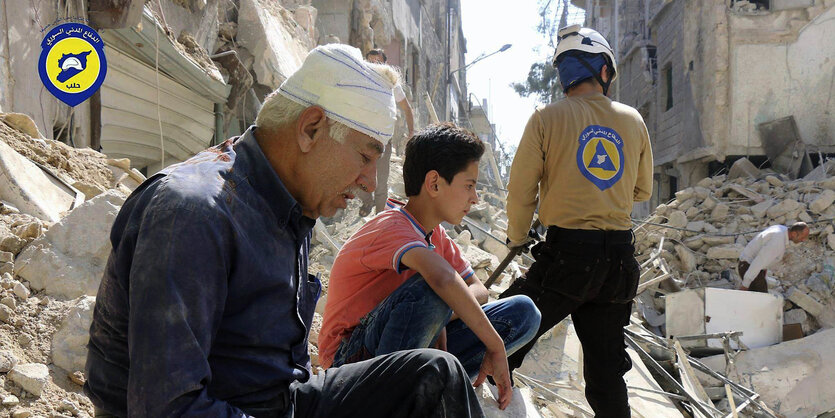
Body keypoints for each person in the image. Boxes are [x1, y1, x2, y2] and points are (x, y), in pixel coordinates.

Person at [84, 44, 484, 418]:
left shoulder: (291, 204)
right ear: (311, 128)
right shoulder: (195, 211)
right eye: (365, 157)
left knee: (435, 376)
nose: (367, 181)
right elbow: (167, 407)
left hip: (278, 403)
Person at [319, 123, 541, 410]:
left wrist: (442, 316)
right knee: (435, 290)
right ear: (435, 183)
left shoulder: (435, 234)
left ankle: (424, 388)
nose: (474, 198)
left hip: (412, 349)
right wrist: (495, 346)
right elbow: (442, 280)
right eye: (469, 186)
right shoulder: (392, 226)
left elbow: (477, 289)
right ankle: (386, 404)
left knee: (525, 311)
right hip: (352, 362)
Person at [498, 24, 654, 417]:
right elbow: (642, 191)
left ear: (564, 74)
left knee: (499, 340)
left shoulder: (545, 119)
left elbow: (521, 192)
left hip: (566, 258)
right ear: (604, 71)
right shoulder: (633, 120)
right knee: (605, 377)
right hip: (618, 263)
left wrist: (517, 236)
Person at [358, 48, 415, 216]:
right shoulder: (361, 81)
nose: (374, 64)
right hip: (362, 138)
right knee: (358, 175)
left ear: (384, 64)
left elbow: (407, 108)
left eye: (378, 61)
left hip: (383, 140)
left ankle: (379, 218)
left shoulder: (391, 84)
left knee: (381, 183)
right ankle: (367, 201)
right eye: (371, 61)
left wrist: (411, 132)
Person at [739, 222, 809, 292]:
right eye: (802, 237)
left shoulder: (782, 230)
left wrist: (764, 269)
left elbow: (764, 257)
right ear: (794, 234)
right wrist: (745, 285)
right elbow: (759, 262)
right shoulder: (777, 242)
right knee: (760, 299)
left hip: (750, 267)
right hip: (749, 267)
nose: (803, 240)